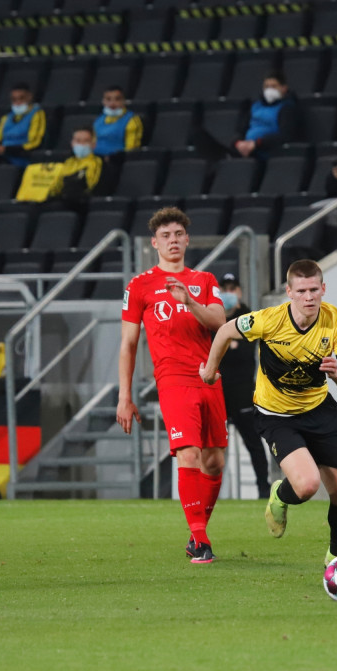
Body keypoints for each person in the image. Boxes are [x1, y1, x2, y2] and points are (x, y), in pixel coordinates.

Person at [200, 259, 337, 567]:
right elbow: (224, 331)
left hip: (319, 409)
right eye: (301, 291)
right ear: (289, 292)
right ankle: (280, 495)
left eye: (314, 290)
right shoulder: (269, 320)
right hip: (276, 415)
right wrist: (209, 371)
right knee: (307, 485)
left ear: (323, 288)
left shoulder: (335, 320)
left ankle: (336, 560)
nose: (309, 297)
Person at [117, 208, 228, 564]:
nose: (173, 240)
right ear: (155, 243)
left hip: (208, 375)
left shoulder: (204, 280)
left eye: (178, 234)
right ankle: (202, 540)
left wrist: (189, 301)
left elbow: (220, 322)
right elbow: (128, 344)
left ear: (187, 239)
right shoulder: (139, 286)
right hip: (173, 380)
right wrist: (124, 396)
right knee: (188, 454)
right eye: (166, 236)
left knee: (215, 462)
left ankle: (196, 534)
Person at [217, 273, 272, 499]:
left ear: (239, 292)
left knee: (253, 442)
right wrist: (230, 344)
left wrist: (222, 344)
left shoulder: (249, 317)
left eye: (232, 288)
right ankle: (211, 493)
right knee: (213, 445)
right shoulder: (214, 317)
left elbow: (243, 352)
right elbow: (211, 350)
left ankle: (263, 489)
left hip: (242, 391)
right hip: (217, 391)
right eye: (224, 288)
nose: (228, 293)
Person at [196, 72, 298, 161]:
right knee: (198, 134)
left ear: (284, 88)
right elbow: (241, 129)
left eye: (274, 86)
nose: (269, 90)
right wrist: (238, 143)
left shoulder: (286, 108)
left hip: (265, 150)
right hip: (245, 149)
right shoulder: (256, 106)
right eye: (266, 86)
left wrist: (256, 144)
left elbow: (285, 135)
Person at [0, 83, 47, 166]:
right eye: (14, 99)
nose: (18, 102)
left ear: (29, 97)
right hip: (4, 156)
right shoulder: (7, 117)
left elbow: (34, 143)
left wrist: (6, 150)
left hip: (21, 156)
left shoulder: (36, 114)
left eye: (21, 98)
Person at [50, 128, 103, 203]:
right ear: (72, 143)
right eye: (78, 141)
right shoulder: (68, 162)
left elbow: (91, 188)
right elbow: (57, 184)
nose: (81, 144)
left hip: (80, 202)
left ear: (93, 144)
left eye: (86, 141)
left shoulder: (96, 162)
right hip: (62, 199)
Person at [92, 86, 143, 157]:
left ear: (124, 101)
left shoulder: (132, 120)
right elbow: (92, 143)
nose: (112, 103)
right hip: (96, 159)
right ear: (103, 101)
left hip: (117, 160)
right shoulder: (98, 120)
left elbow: (131, 151)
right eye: (108, 99)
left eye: (117, 99)